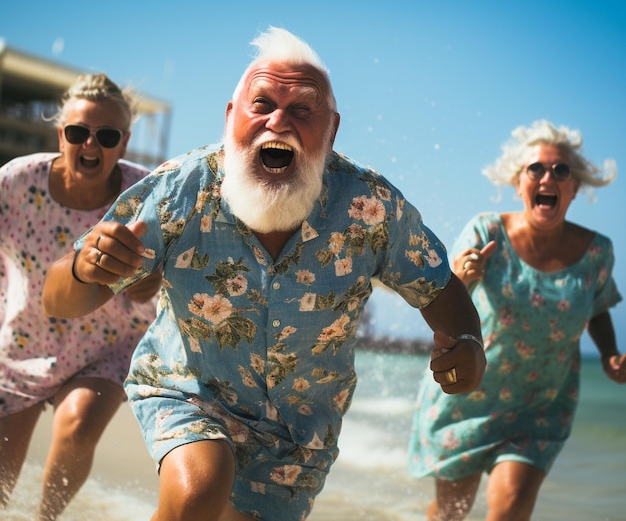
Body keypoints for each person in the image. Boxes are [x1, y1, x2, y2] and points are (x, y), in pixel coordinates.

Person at [42, 26, 486, 521]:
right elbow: (58, 300)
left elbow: (439, 288)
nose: (279, 121)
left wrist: (469, 341)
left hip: (300, 433)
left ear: (332, 129)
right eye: (262, 104)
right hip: (190, 393)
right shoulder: (181, 190)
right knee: (198, 492)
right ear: (231, 117)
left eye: (302, 110)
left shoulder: (371, 207)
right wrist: (85, 268)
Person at [408, 119, 626, 521]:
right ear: (519, 184)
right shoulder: (486, 231)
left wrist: (611, 353)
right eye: (536, 169)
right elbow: (446, 299)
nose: (548, 177)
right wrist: (463, 275)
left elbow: (596, 305)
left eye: (561, 171)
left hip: (539, 407)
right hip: (468, 393)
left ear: (574, 187)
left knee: (510, 511)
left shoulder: (597, 252)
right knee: (449, 515)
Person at [0, 73, 160, 520]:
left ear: (124, 143)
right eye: (78, 132)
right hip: (23, 340)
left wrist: (148, 282)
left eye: (106, 136)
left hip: (108, 344)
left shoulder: (143, 196)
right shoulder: (15, 181)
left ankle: (46, 519)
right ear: (61, 134)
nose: (91, 144)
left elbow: (156, 281)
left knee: (77, 427)